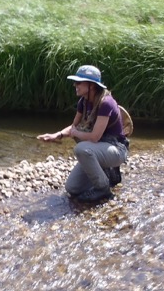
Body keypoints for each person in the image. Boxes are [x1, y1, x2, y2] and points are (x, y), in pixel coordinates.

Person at [37, 65, 129, 202]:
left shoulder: (106, 103)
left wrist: (75, 132)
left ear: (91, 85)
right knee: (72, 188)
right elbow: (74, 127)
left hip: (116, 149)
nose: (75, 85)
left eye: (79, 82)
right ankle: (106, 173)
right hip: (98, 149)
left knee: (81, 149)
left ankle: (102, 188)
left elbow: (94, 136)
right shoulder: (83, 102)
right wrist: (58, 135)